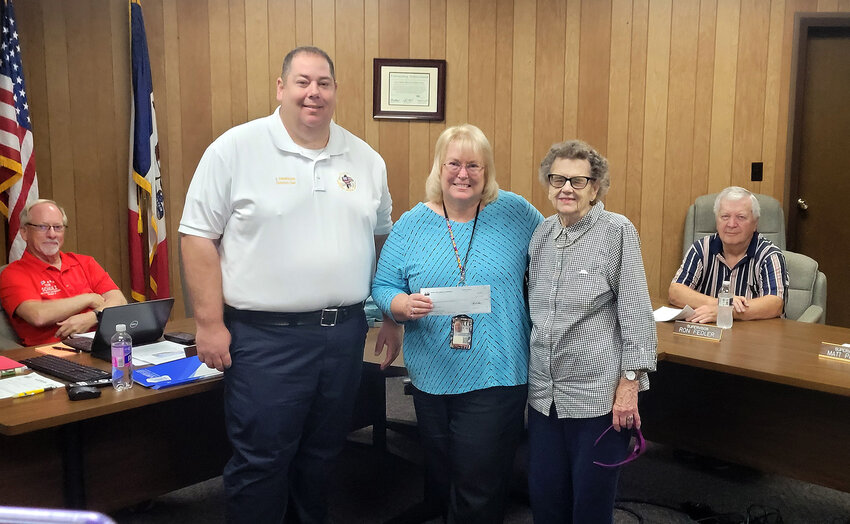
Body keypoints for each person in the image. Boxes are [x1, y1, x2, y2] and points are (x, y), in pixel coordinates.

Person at [179, 46, 401, 524]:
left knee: (322, 456)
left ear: (336, 92)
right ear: (280, 88)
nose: (312, 93)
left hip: (342, 334)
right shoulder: (235, 149)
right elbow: (197, 237)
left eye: (323, 83)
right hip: (264, 338)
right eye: (302, 82)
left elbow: (383, 240)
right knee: (262, 461)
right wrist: (209, 322)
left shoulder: (365, 159)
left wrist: (386, 314)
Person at [372, 124, 543, 523]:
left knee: (479, 475)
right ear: (439, 167)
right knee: (442, 463)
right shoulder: (412, 224)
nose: (462, 174)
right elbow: (384, 283)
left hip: (497, 367)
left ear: (487, 171)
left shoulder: (516, 213)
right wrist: (398, 304)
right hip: (432, 369)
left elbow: (554, 255)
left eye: (473, 165)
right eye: (453, 164)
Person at [526, 140, 657, 523]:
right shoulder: (542, 235)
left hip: (598, 398)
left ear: (595, 187)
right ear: (548, 185)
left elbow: (636, 312)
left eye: (578, 180)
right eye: (558, 179)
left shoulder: (617, 232)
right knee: (545, 495)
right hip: (545, 395)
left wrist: (630, 382)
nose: (566, 188)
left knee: (591, 503)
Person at [0, 199, 126, 346]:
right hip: (53, 354)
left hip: (103, 344)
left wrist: (93, 317)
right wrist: (89, 298)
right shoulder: (13, 273)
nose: (52, 234)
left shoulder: (85, 262)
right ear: (24, 232)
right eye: (42, 227)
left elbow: (119, 301)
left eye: (58, 227)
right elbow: (38, 315)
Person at [669, 186, 788, 323]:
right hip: (709, 334)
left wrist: (726, 311)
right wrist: (720, 303)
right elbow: (675, 292)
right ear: (717, 220)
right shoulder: (701, 249)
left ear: (755, 223)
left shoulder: (770, 256)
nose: (731, 224)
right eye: (725, 216)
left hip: (755, 337)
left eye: (741, 217)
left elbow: (775, 304)